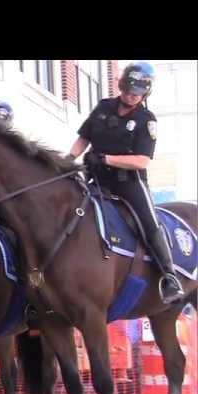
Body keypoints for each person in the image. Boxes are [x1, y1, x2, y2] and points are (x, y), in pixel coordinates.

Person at [65, 61, 184, 304]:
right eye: (128, 90)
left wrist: (106, 158)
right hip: (95, 178)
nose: (130, 96)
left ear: (145, 93)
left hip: (128, 182)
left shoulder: (146, 120)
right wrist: (67, 160)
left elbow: (142, 161)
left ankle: (169, 276)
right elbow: (83, 138)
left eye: (136, 93)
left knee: (149, 222)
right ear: (121, 86)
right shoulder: (104, 107)